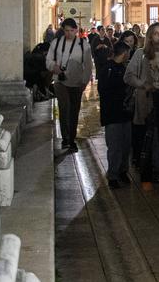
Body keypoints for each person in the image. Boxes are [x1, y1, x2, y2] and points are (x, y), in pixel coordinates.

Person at [125, 23, 159, 192]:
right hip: (147, 100)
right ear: (150, 37)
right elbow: (129, 76)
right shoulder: (141, 54)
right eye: (156, 33)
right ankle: (146, 176)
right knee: (145, 139)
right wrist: (143, 84)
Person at [47, 18, 93, 154]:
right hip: (60, 82)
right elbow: (48, 60)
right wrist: (53, 67)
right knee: (64, 108)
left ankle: (71, 138)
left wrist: (84, 82)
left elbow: (88, 65)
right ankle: (66, 139)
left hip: (77, 83)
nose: (69, 33)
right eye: (66, 30)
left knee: (74, 110)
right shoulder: (56, 43)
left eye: (71, 31)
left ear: (76, 31)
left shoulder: (83, 45)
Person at [97, 36, 135, 187]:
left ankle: (123, 171)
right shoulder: (108, 69)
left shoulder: (124, 69)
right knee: (114, 146)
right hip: (112, 114)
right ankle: (113, 175)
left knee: (126, 145)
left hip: (125, 114)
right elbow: (104, 91)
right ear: (124, 53)